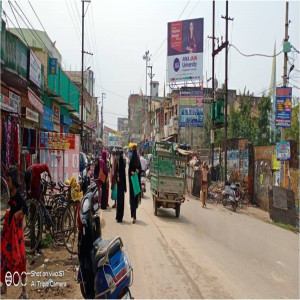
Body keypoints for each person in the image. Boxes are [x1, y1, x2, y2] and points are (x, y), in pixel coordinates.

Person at [1, 166, 28, 299]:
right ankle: (4, 288)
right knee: (5, 259)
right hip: (8, 234)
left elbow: (26, 209)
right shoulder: (11, 194)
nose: (8, 182)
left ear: (13, 180)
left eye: (9, 180)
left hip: (16, 236)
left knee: (20, 261)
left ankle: (24, 292)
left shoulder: (18, 195)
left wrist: (18, 213)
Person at [24, 163, 52, 255]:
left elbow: (46, 166)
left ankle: (38, 247)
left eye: (31, 179)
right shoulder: (27, 178)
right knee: (32, 222)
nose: (30, 181)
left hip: (39, 194)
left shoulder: (36, 168)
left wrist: (50, 177)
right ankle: (32, 247)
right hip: (32, 199)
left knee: (40, 221)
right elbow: (27, 191)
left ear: (32, 174)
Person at [128, 146, 141, 224]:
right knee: (133, 199)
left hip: (134, 183)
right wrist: (132, 172)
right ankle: (134, 216)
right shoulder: (136, 160)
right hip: (134, 183)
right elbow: (129, 170)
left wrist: (137, 171)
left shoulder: (135, 160)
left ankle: (134, 216)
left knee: (134, 199)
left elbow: (140, 170)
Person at [116, 151, 127, 223]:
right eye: (121, 154)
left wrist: (125, 186)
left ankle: (120, 217)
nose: (122, 156)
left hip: (121, 186)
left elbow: (124, 176)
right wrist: (117, 176)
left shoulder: (122, 163)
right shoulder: (119, 163)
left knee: (121, 202)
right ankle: (118, 217)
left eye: (122, 154)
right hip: (120, 185)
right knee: (119, 201)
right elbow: (116, 172)